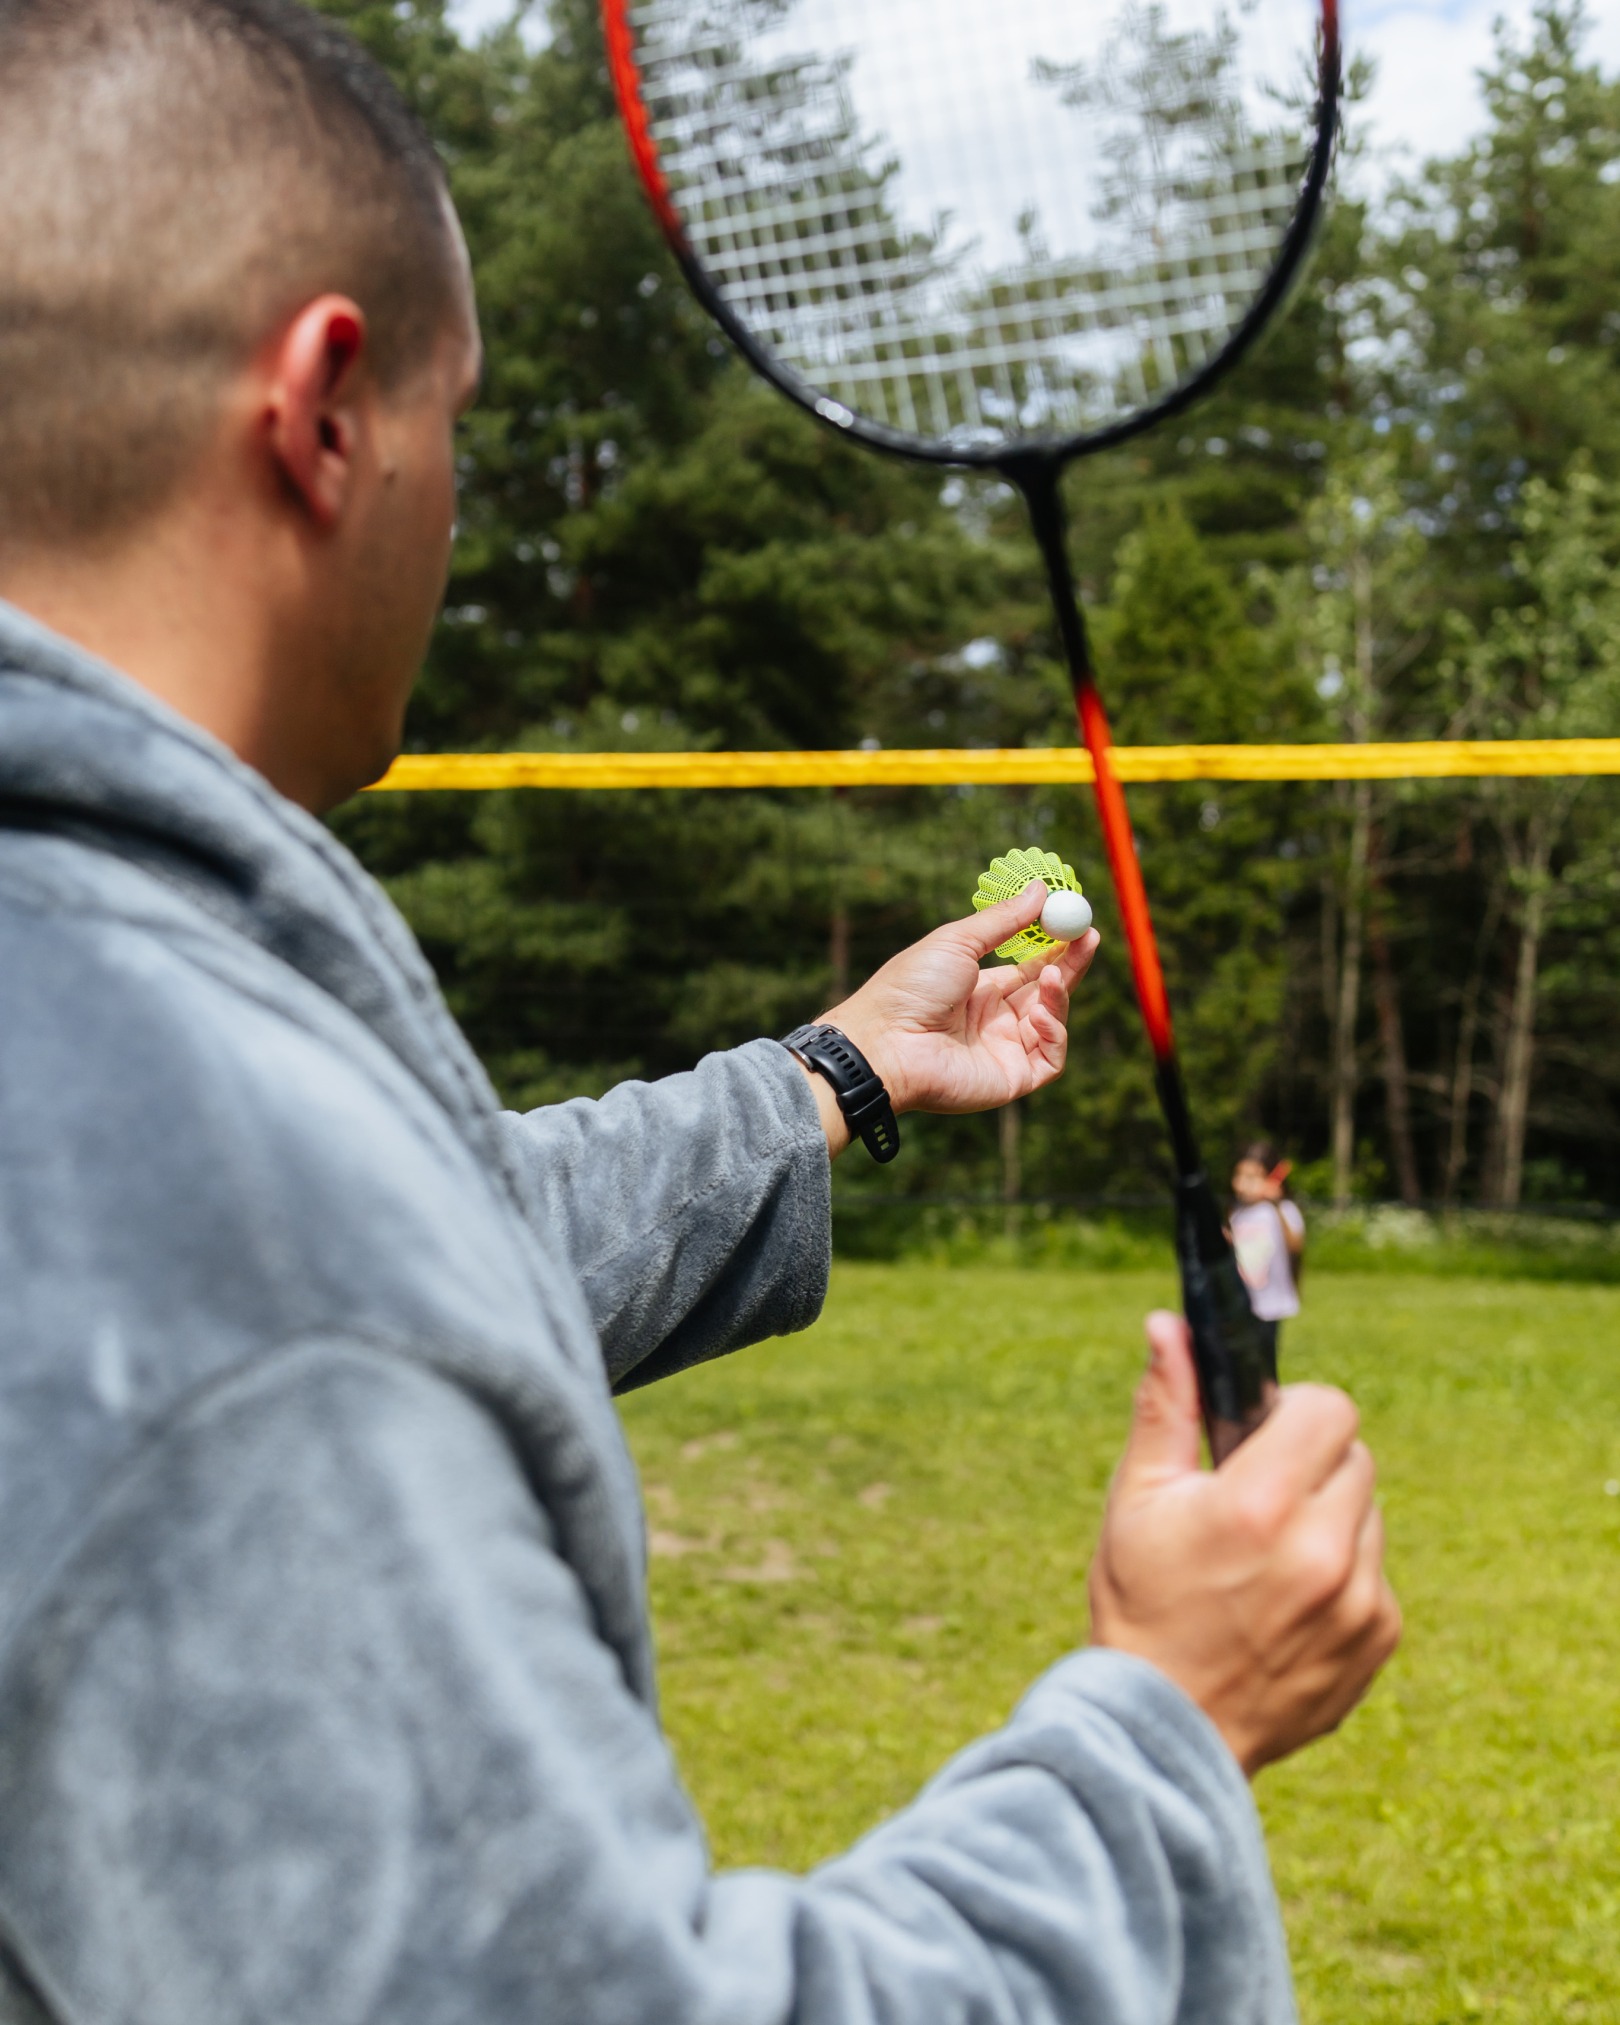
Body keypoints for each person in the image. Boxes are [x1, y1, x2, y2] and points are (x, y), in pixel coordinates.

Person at [0, 4, 1399, 2020]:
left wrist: (832, 1076)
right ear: (325, 408)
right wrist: (1165, 1725)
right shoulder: (206, 1228)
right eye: (460, 425)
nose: (461, 510)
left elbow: (404, 1236)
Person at [1230, 1142, 1309, 1363]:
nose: (1242, 1185)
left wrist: (1275, 1205)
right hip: (1241, 1300)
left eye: (1252, 1177)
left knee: (1264, 1360)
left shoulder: (1282, 1210)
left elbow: (1296, 1245)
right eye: (1239, 1175)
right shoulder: (1238, 1212)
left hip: (1269, 1303)